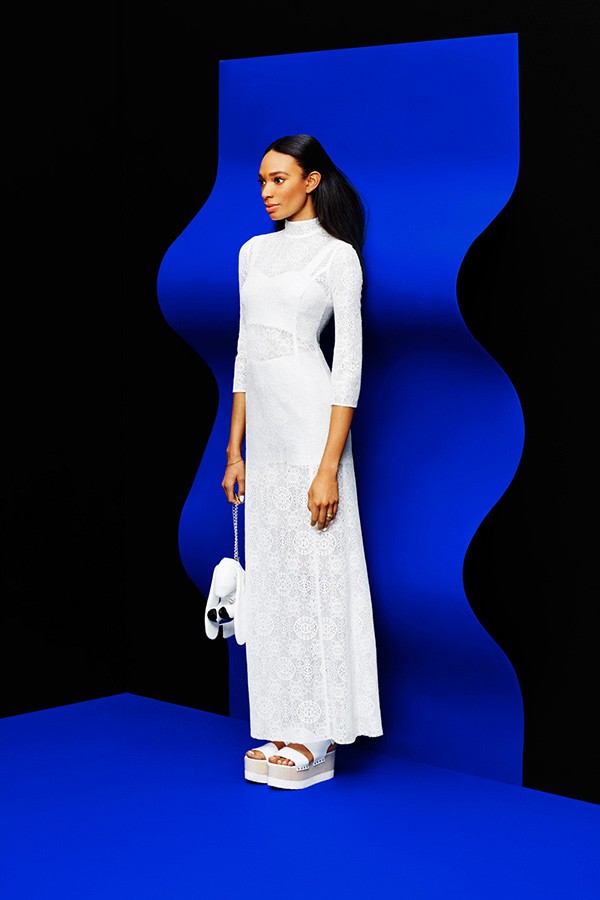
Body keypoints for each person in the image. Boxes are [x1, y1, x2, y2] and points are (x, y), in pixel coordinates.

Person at [221, 133, 382, 790]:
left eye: (279, 179)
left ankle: (319, 735)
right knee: (275, 578)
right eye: (261, 180)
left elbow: (348, 367)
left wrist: (327, 466)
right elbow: (245, 353)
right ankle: (284, 722)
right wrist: (234, 449)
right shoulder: (252, 253)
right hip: (264, 439)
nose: (267, 192)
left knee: (317, 572)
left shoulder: (338, 257)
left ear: (311, 181)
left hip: (314, 430)